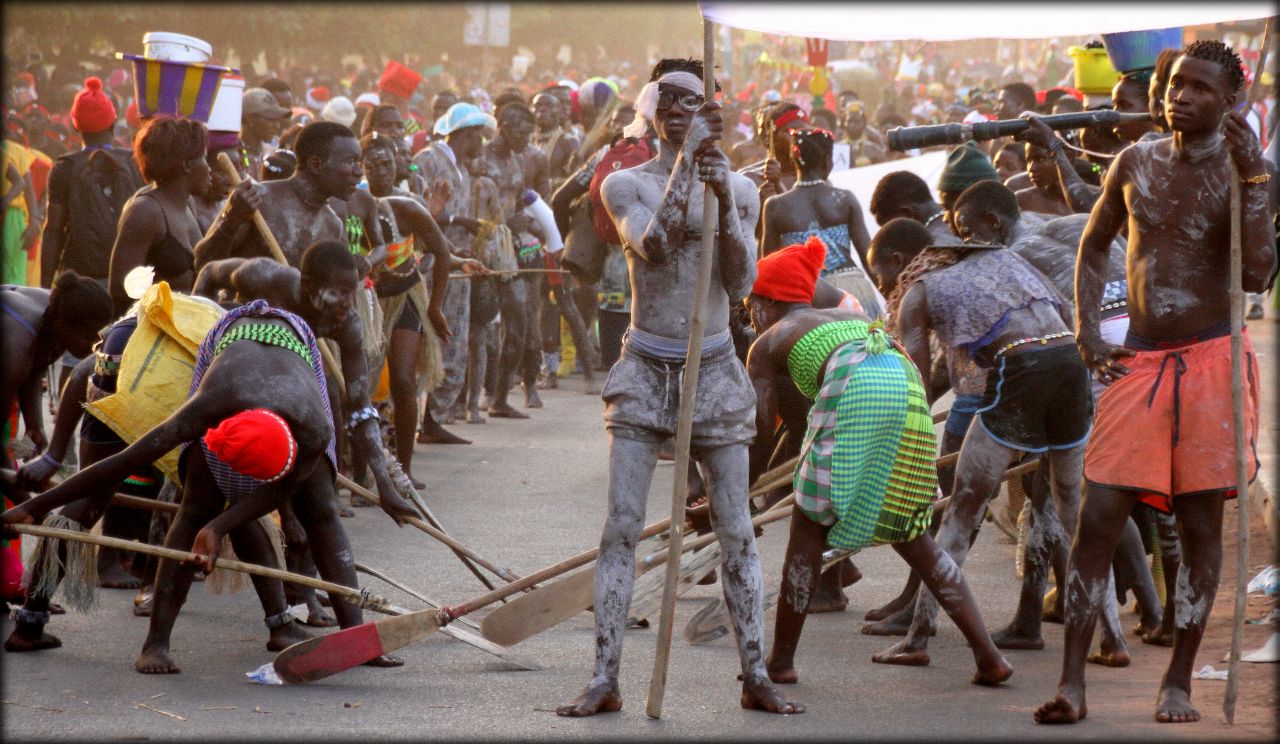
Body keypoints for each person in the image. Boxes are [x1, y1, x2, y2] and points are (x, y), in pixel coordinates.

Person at [4, 249, 406, 674]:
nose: (346, 303)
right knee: (182, 508)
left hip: (276, 371)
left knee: (320, 510)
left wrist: (385, 483)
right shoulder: (210, 405)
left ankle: (350, 636)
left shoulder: (314, 427)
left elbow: (295, 496)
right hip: (144, 362)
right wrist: (36, 505)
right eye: (337, 293)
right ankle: (144, 642)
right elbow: (125, 460)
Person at [1036, 40, 1276, 725]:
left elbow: (1258, 275)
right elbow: (1095, 242)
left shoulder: (1244, 171)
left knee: (1201, 528)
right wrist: (1087, 333)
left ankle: (1178, 682)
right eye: (1175, 83)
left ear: (1230, 101)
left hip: (1210, 362)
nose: (1181, 96)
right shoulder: (1133, 160)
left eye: (1200, 87)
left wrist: (1255, 179)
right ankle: (1072, 683)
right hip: (1137, 360)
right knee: (1098, 519)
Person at [556, 58, 800, 718]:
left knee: (736, 530)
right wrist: (692, 167)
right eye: (667, 100)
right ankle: (605, 677)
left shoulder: (742, 190)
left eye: (691, 102)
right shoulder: (625, 183)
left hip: (714, 365)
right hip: (647, 364)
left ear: (709, 111)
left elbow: (741, 280)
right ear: (650, 110)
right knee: (623, 529)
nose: (677, 111)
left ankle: (756, 673)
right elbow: (655, 248)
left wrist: (721, 196)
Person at [743, 237, 1011, 687]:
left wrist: (738, 499)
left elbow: (757, 431)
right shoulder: (847, 314)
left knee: (807, 530)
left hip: (856, 383)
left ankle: (780, 663)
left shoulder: (768, 342)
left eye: (751, 306)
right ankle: (989, 657)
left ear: (764, 303)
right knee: (912, 533)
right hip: (901, 381)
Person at [867, 184, 1095, 669]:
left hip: (1025, 373)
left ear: (904, 260)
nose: (886, 287)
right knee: (1068, 512)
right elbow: (1063, 321)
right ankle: (1107, 639)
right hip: (1070, 365)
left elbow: (914, 380)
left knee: (960, 513)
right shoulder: (1002, 262)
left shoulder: (923, 289)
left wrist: (889, 429)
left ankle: (919, 637)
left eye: (885, 275)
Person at [1, 273, 114, 650]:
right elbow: (20, 363)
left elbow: (33, 367)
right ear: (65, 325)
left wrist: (34, 423)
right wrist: (26, 501)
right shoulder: (16, 345)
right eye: (89, 337)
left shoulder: (51, 321)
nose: (95, 345)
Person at [412, 103, 492, 444]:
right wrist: (455, 228)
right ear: (466, 133)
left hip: (451, 262)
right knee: (433, 339)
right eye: (479, 135)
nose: (483, 143)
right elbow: (419, 214)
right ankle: (425, 419)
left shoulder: (459, 166)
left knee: (450, 340)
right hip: (430, 265)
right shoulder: (430, 160)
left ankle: (433, 418)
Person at [760, 128, 881, 319]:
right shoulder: (844, 199)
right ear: (828, 162)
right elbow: (870, 258)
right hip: (853, 296)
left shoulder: (776, 206)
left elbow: (769, 266)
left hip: (807, 299)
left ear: (794, 159)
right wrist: (893, 297)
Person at [40, 76, 141, 290]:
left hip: (80, 282)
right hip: (132, 282)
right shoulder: (135, 161)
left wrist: (44, 289)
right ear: (113, 123)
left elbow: (54, 230)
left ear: (76, 128)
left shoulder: (64, 169)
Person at [239, 88, 291, 180]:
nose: (277, 126)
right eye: (270, 119)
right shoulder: (235, 156)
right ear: (250, 119)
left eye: (278, 120)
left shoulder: (275, 151)